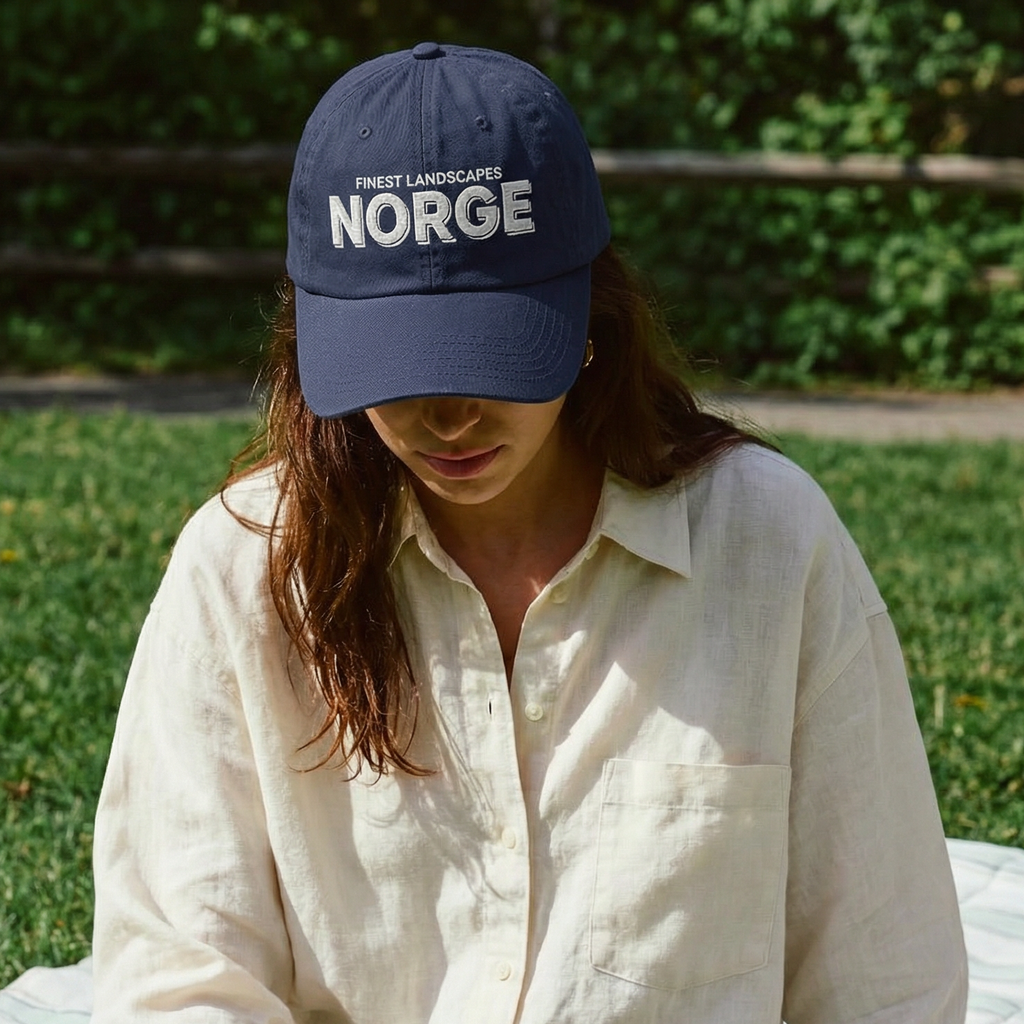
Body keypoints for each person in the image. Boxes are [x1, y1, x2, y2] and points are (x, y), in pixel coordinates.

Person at [91, 42, 968, 1023]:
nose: (447, 415)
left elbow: (884, 975)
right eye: (393, 368)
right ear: (311, 343)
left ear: (591, 315)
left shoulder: (765, 543)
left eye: (495, 355)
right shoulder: (242, 569)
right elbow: (176, 977)